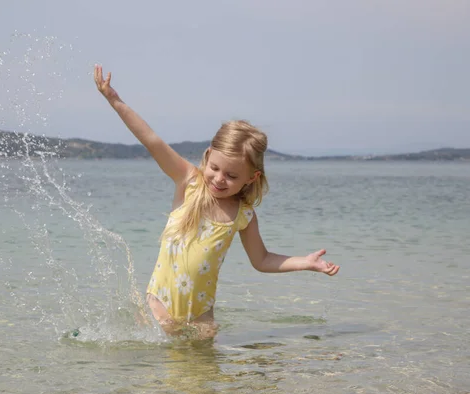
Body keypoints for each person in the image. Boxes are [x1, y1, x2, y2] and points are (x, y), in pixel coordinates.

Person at [94, 65, 340, 337]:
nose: (219, 179)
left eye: (232, 175)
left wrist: (305, 262)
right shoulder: (189, 182)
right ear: (208, 155)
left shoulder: (243, 215)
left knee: (205, 377)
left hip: (202, 317)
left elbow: (262, 259)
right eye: (215, 168)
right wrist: (115, 101)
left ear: (251, 177)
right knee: (161, 375)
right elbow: (152, 140)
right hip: (159, 309)